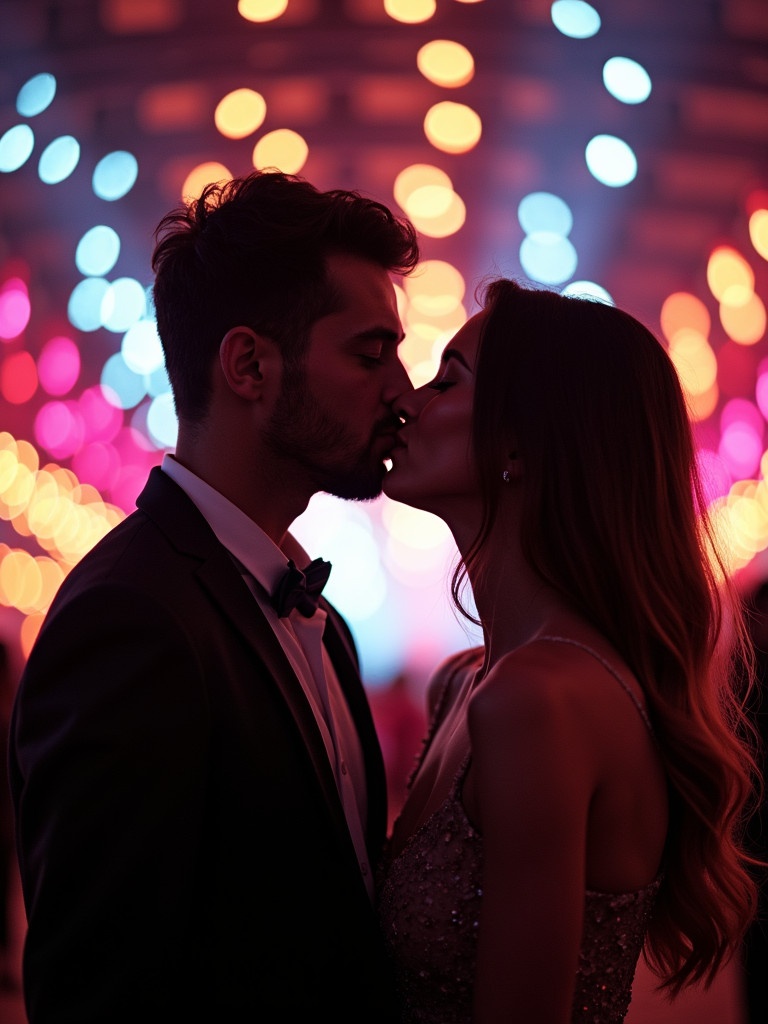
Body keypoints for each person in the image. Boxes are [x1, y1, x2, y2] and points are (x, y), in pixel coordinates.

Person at [9, 169, 420, 1022]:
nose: (402, 392)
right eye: (369, 354)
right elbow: (98, 991)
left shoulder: (321, 621)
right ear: (247, 365)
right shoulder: (129, 619)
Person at [376, 278, 761, 1024]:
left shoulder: (538, 701)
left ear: (519, 443)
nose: (407, 402)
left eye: (447, 379)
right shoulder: (469, 683)